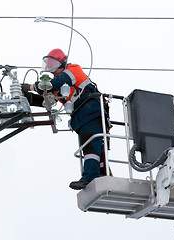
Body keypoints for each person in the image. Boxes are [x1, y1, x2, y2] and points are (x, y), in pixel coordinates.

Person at [22, 48, 109, 190]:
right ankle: (97, 174)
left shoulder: (73, 70)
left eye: (53, 66)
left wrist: (31, 86)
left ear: (61, 63)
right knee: (89, 145)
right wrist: (27, 96)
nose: (52, 71)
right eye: (50, 67)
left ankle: (90, 177)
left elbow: (53, 84)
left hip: (92, 109)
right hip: (81, 115)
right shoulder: (57, 85)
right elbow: (48, 100)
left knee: (92, 142)